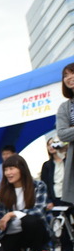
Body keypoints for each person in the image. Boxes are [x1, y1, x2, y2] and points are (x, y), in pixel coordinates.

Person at [0, 154, 50, 251]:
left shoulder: (38, 186)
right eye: (6, 170)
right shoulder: (4, 191)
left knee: (29, 220)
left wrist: (12, 214)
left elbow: (39, 211)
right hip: (13, 233)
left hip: (36, 231)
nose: (8, 173)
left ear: (22, 169)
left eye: (11, 168)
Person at [40, 137, 73, 251]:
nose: (52, 146)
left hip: (69, 195)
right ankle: (66, 249)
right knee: (61, 224)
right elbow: (44, 185)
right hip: (56, 198)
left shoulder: (68, 160)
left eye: (54, 143)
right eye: (49, 144)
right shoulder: (47, 165)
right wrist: (48, 200)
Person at [55, 62, 74, 205]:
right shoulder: (64, 107)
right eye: (65, 75)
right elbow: (62, 134)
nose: (69, 77)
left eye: (72, 73)